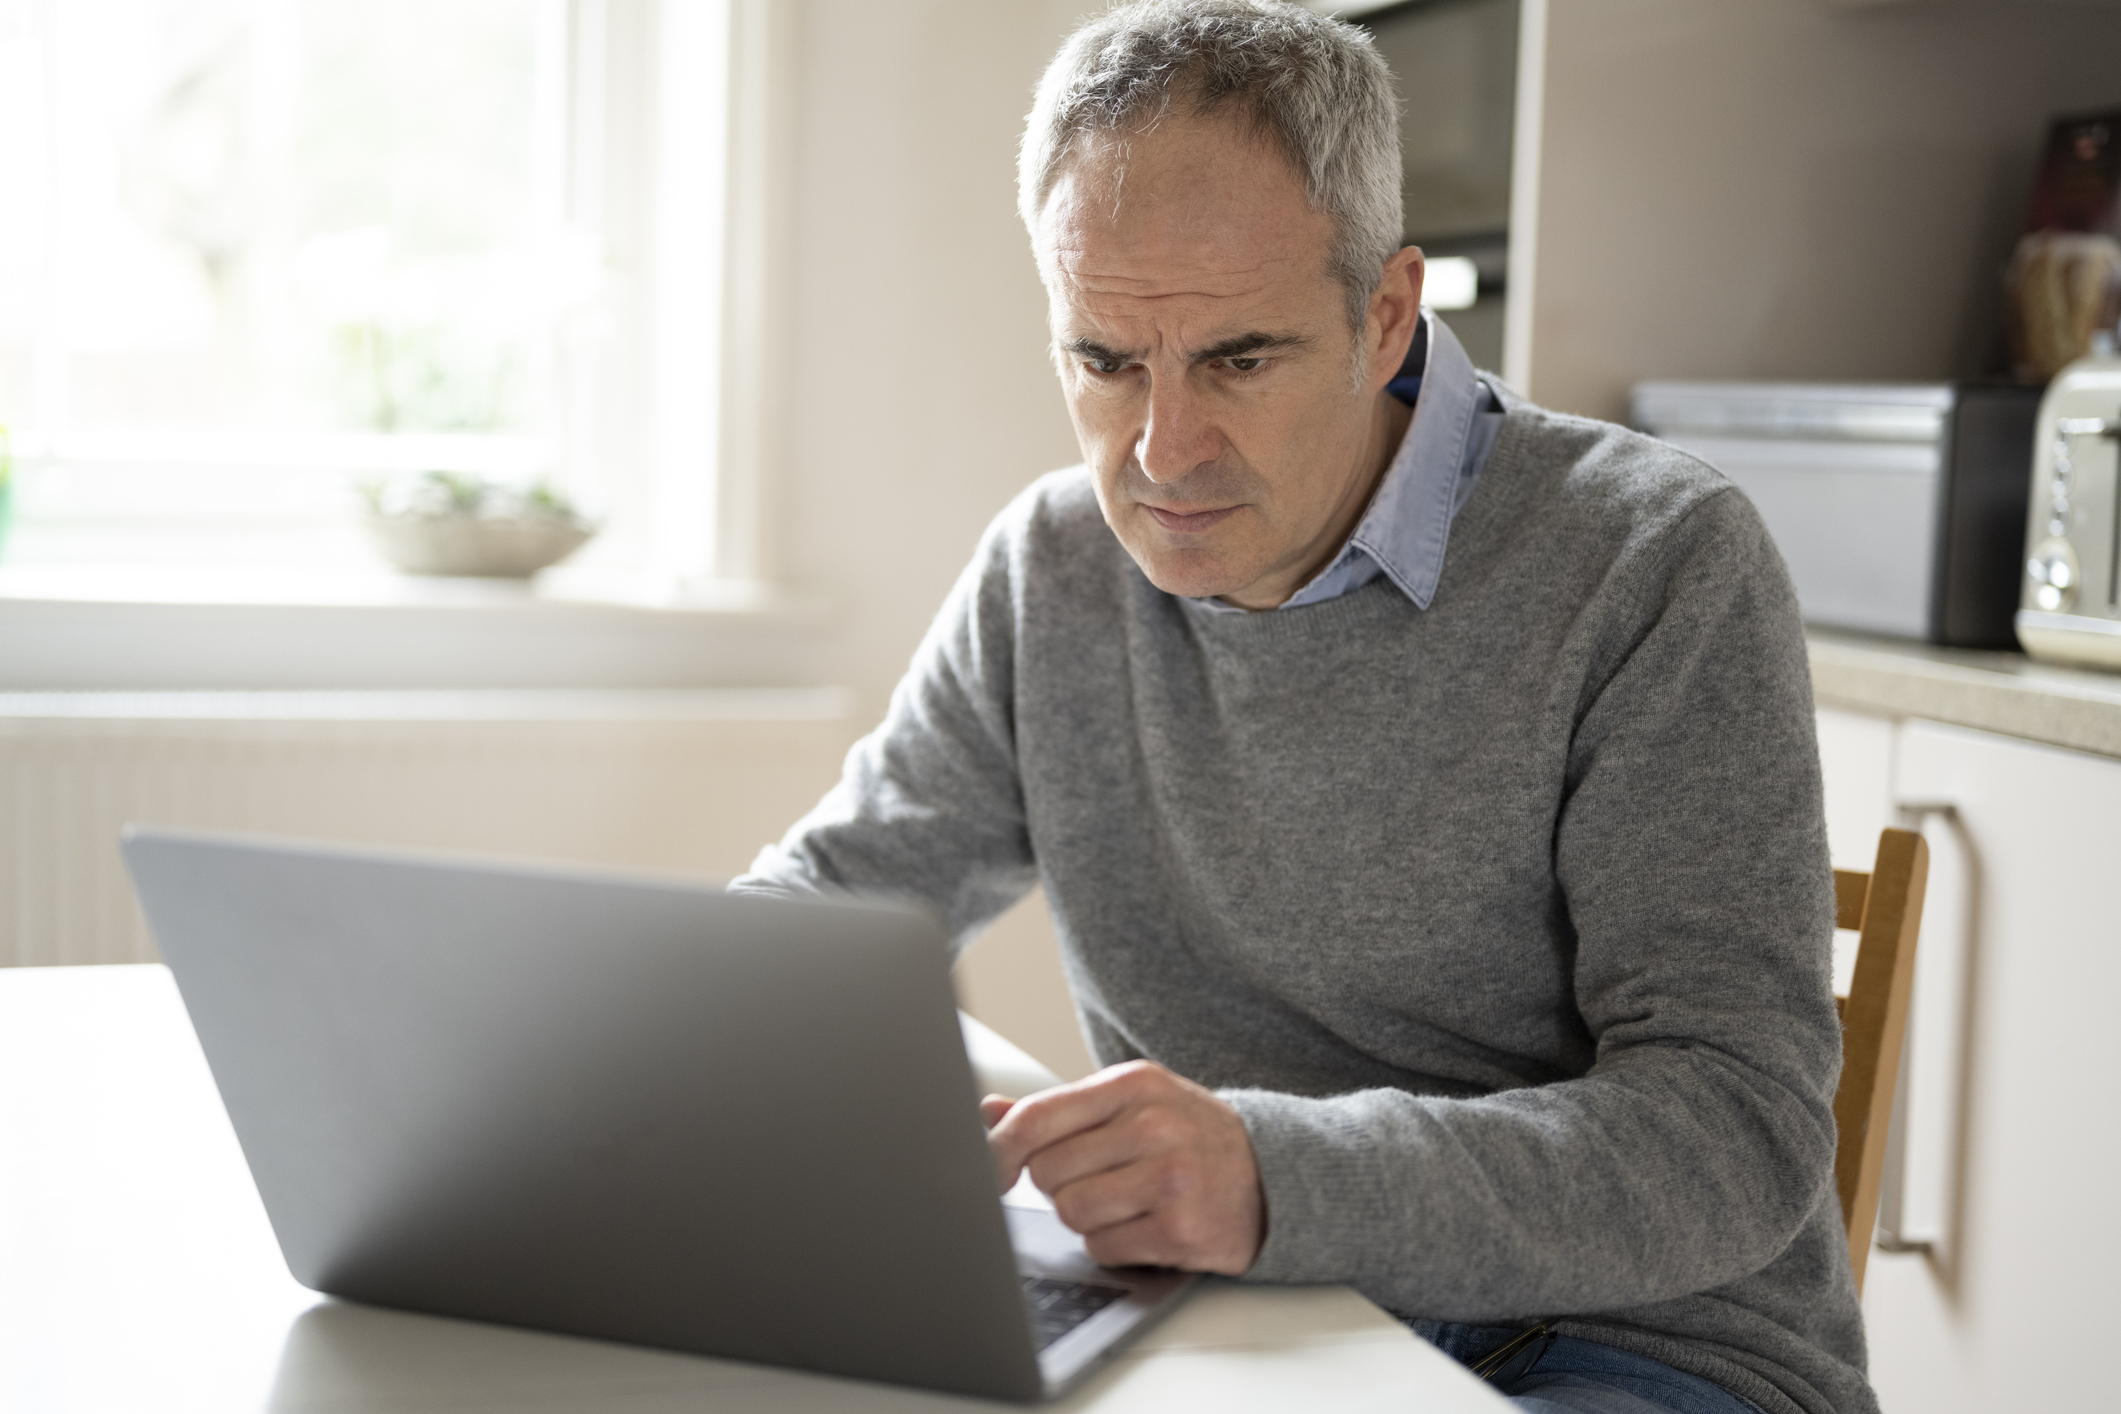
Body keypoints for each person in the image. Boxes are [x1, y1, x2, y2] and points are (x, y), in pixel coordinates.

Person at [734, 4, 1870, 1412]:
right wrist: (634, 1051)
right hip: (1242, 1322)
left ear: (1384, 315)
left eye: (1237, 358)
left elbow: (1736, 1131)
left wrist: (1271, 1178)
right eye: (1104, 359)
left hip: (1621, 1345)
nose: (1162, 450)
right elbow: (831, 906)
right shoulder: (1052, 572)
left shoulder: (1649, 558)